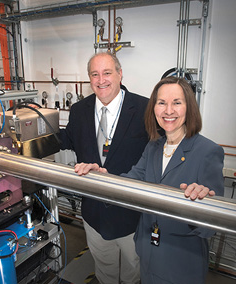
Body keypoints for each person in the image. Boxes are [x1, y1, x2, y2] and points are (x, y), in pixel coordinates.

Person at [75, 76, 224, 284]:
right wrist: (102, 177)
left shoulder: (208, 151)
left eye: (177, 103)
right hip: (147, 253)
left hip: (179, 262)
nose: (168, 111)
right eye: (161, 103)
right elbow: (130, 183)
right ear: (154, 108)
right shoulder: (154, 147)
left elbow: (211, 226)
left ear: (189, 108)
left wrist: (201, 205)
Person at [60, 51, 149, 283]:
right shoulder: (79, 110)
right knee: (105, 269)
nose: (101, 80)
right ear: (89, 78)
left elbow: (157, 156)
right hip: (94, 214)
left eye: (107, 73)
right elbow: (67, 139)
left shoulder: (144, 109)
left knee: (134, 270)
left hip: (132, 214)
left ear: (120, 74)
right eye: (95, 74)